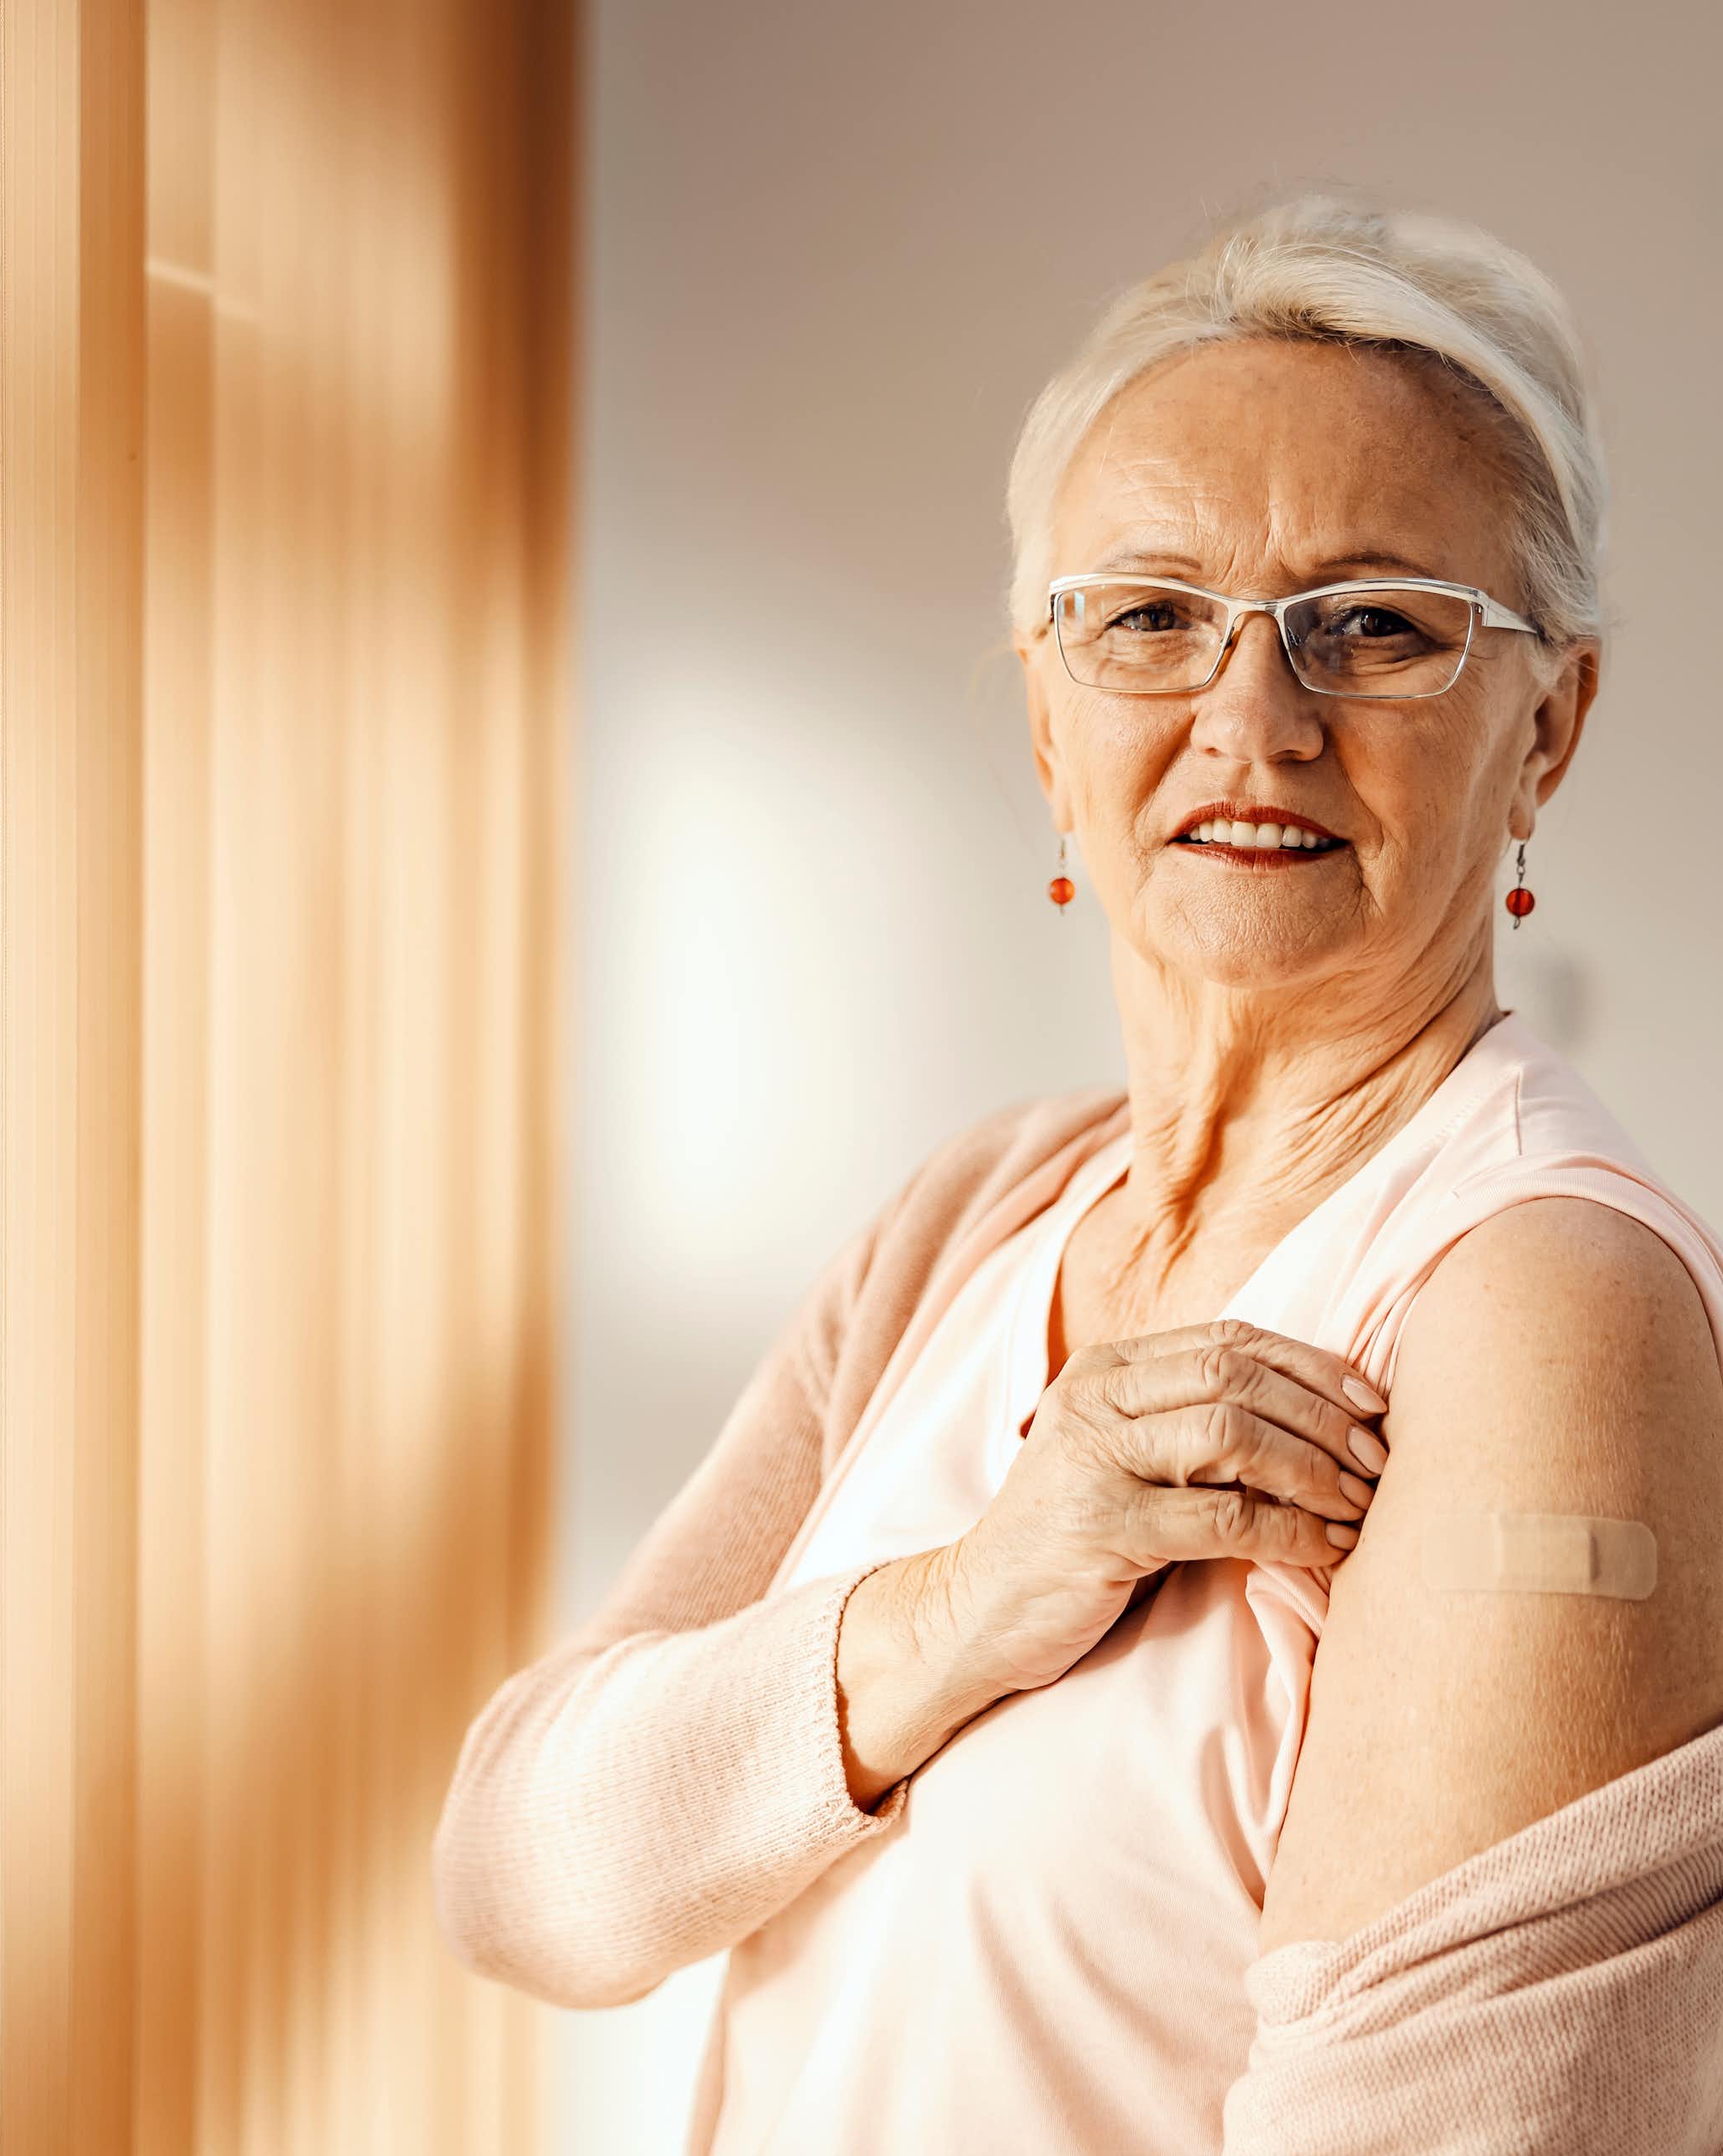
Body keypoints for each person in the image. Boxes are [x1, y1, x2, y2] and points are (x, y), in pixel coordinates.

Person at [431, 193, 1723, 2153]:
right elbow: (524, 1869)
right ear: (1047, 720)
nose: (1249, 717)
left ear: (1543, 721)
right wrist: (974, 1593)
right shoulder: (977, 1216)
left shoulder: (1535, 1311)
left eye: (1370, 622)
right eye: (1146, 615)